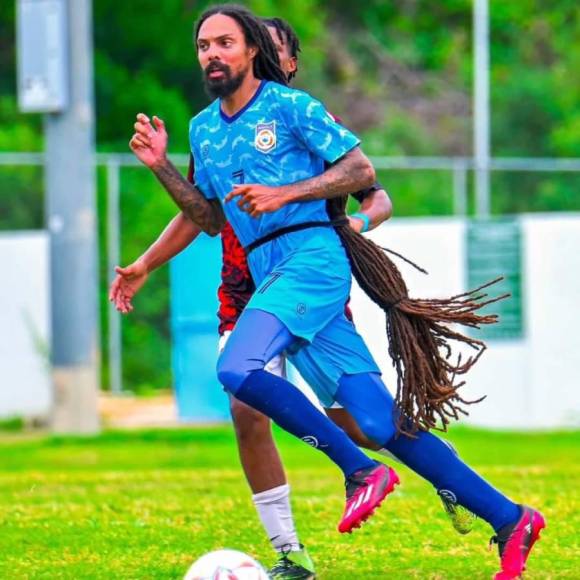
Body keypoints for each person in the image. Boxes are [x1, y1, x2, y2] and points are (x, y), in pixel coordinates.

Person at [128, 5, 545, 578]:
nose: (212, 55)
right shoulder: (203, 128)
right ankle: (510, 517)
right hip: (269, 267)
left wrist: (286, 195)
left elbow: (361, 172)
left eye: (224, 43)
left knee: (236, 369)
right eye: (203, 46)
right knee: (377, 423)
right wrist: (159, 169)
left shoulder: (291, 106)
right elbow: (205, 215)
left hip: (311, 258)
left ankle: (358, 471)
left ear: (252, 49)